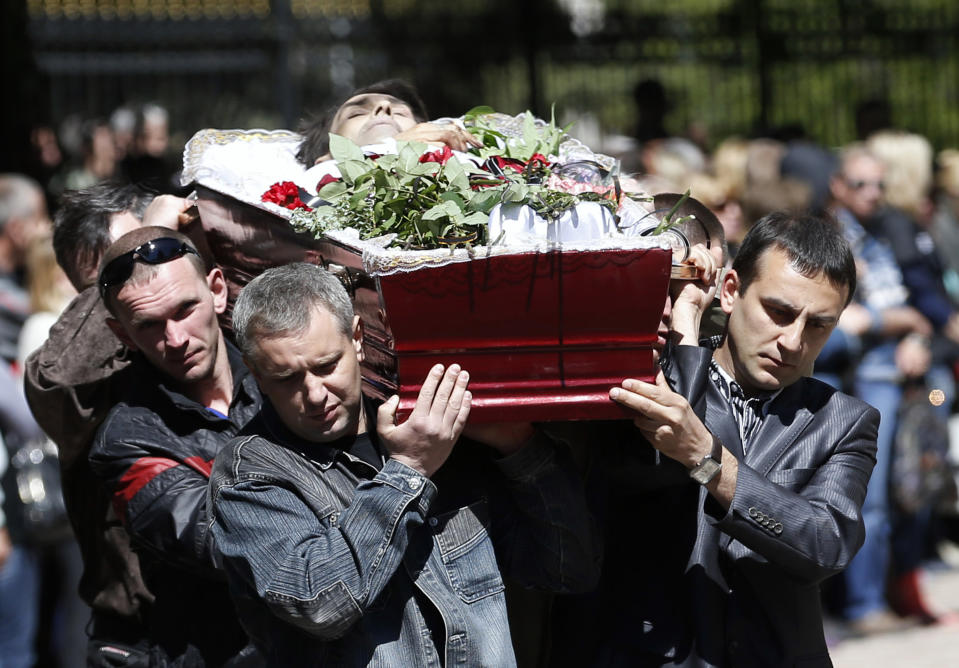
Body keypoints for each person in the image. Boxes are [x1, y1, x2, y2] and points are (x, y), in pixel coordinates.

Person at [208, 262, 598, 666]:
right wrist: (408, 470)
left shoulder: (435, 429)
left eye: (327, 366)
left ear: (357, 339)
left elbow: (567, 572)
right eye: (286, 378)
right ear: (255, 372)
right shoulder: (249, 475)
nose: (315, 394)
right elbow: (321, 604)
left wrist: (519, 445)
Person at [581, 211, 878, 666]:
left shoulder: (843, 420)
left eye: (818, 324)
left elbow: (825, 544)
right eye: (779, 312)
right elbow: (638, 467)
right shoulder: (659, 377)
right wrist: (685, 314)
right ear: (732, 290)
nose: (793, 341)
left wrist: (707, 459)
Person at [88, 226, 262, 665]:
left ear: (217, 291)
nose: (177, 338)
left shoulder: (280, 370)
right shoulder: (127, 441)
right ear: (123, 334)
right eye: (149, 325)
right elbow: (232, 544)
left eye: (186, 309)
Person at [825, 144, 935, 634]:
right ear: (838, 187)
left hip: (900, 375)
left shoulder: (882, 231)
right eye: (860, 184)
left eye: (879, 185)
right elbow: (847, 318)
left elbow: (902, 300)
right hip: (863, 379)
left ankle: (893, 592)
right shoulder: (828, 237)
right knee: (866, 497)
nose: (872, 194)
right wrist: (902, 320)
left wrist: (912, 331)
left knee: (906, 491)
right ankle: (863, 606)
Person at [295, 79, 480, 168]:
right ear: (326, 158)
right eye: (356, 113)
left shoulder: (474, 163)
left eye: (400, 112)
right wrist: (393, 147)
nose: (384, 106)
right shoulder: (310, 191)